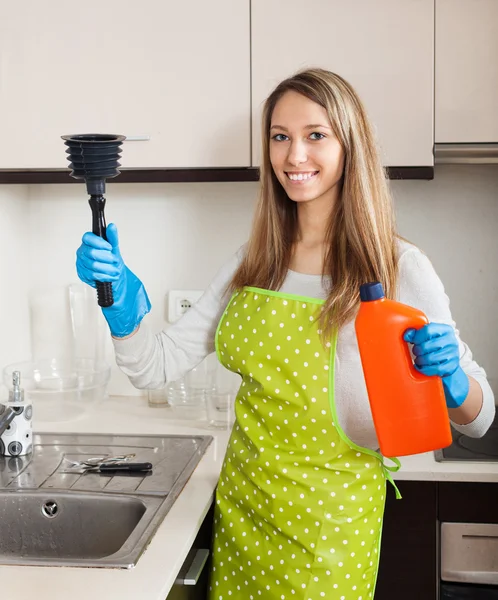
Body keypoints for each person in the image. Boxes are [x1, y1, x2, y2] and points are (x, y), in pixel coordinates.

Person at [75, 68, 495, 599]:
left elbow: (481, 420)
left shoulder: (397, 268)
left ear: (350, 146)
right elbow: (154, 367)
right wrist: (123, 307)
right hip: (245, 514)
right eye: (280, 137)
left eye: (315, 135)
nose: (294, 156)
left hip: (330, 532)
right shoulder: (253, 266)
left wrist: (454, 381)